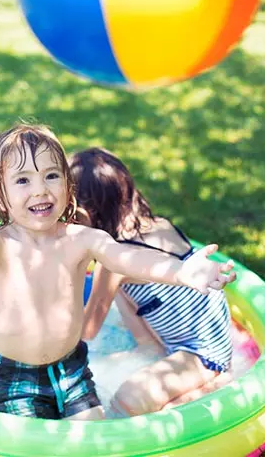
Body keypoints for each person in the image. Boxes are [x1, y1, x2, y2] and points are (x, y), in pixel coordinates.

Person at [0, 123, 235, 421]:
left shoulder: (82, 239)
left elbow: (127, 258)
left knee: (93, 441)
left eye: (51, 176)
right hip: (16, 377)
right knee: (35, 447)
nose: (40, 189)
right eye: (23, 180)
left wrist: (181, 271)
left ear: (68, 188)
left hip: (72, 371)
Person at [71, 147, 235, 416]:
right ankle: (149, 349)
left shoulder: (114, 262)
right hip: (206, 335)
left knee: (126, 401)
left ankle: (216, 385)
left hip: (203, 353)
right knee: (122, 289)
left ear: (85, 213)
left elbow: (87, 331)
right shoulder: (159, 225)